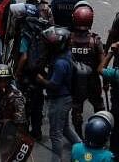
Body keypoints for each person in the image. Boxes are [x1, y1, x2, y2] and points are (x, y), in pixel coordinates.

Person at [14, 0, 53, 140]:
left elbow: (23, 57)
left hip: (26, 74)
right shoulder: (43, 31)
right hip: (40, 73)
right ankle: (37, 131)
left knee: (25, 103)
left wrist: (17, 72)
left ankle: (24, 132)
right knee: (38, 103)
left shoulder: (26, 33)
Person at [41, 26, 80, 161]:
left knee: (55, 134)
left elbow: (54, 85)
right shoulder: (66, 55)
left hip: (60, 100)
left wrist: (41, 80)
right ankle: (82, 148)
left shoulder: (60, 63)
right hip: (66, 97)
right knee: (65, 128)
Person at [68, 3, 105, 132]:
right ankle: (99, 132)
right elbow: (103, 64)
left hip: (75, 82)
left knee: (76, 109)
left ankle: (78, 136)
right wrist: (105, 82)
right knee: (99, 107)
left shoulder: (69, 39)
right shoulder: (95, 41)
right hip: (93, 81)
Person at [0, 63, 29, 155]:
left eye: (4, 80)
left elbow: (21, 123)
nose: (2, 83)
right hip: (3, 135)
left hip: (13, 138)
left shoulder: (16, 97)